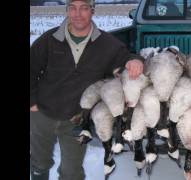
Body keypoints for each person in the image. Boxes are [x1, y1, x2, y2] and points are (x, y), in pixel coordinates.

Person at [30, 0, 144, 179]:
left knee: (72, 172)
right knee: (39, 163)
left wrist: (135, 61)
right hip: (43, 112)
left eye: (83, 8)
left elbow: (126, 56)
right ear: (67, 11)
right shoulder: (49, 39)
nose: (77, 14)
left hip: (76, 118)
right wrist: (32, 102)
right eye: (72, 8)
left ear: (92, 11)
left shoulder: (106, 43)